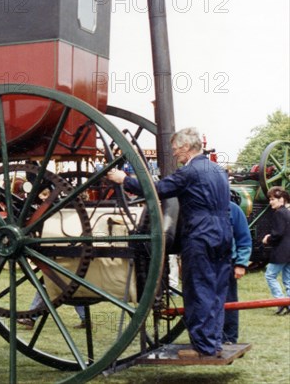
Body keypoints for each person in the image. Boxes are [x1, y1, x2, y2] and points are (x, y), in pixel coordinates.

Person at [107, 127, 232, 358]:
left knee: (197, 289)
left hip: (200, 235)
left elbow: (158, 189)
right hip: (224, 233)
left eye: (175, 150)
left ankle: (203, 347)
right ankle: (213, 342)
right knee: (216, 289)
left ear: (186, 147)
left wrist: (125, 179)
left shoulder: (190, 172)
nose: (174, 154)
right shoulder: (218, 170)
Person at [222, 199, 252, 343]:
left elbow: (244, 239)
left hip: (227, 263)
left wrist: (241, 263)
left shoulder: (233, 209)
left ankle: (229, 337)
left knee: (229, 301)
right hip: (204, 263)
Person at [262, 186, 290, 315]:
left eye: (273, 199)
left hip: (281, 251)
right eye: (270, 199)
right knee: (288, 279)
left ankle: (281, 301)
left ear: (282, 199)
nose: (270, 202)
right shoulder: (288, 213)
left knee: (270, 275)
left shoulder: (279, 213)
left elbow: (278, 234)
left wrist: (268, 239)